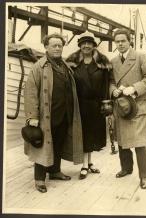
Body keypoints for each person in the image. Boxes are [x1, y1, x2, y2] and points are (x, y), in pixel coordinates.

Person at [23, 33, 83, 193]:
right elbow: (30, 92)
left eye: (60, 45)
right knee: (42, 144)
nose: (57, 48)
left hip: (64, 113)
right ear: (46, 47)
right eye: (54, 45)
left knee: (58, 142)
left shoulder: (64, 65)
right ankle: (39, 179)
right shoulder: (39, 66)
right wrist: (32, 117)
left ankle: (55, 171)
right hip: (46, 115)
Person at [109, 29, 146, 189]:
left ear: (129, 41)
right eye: (117, 41)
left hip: (137, 106)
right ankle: (126, 168)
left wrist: (134, 89)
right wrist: (113, 90)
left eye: (123, 41)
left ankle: (144, 176)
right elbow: (111, 81)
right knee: (122, 140)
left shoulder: (140, 57)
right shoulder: (114, 61)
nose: (120, 44)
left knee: (139, 143)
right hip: (122, 106)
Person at [66, 31, 111, 179]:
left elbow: (106, 84)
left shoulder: (103, 62)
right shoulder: (71, 62)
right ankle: (84, 165)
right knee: (83, 134)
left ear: (93, 45)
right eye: (83, 43)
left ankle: (89, 163)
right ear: (79, 45)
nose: (86, 46)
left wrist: (106, 103)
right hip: (79, 105)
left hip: (96, 105)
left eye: (89, 43)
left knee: (93, 135)